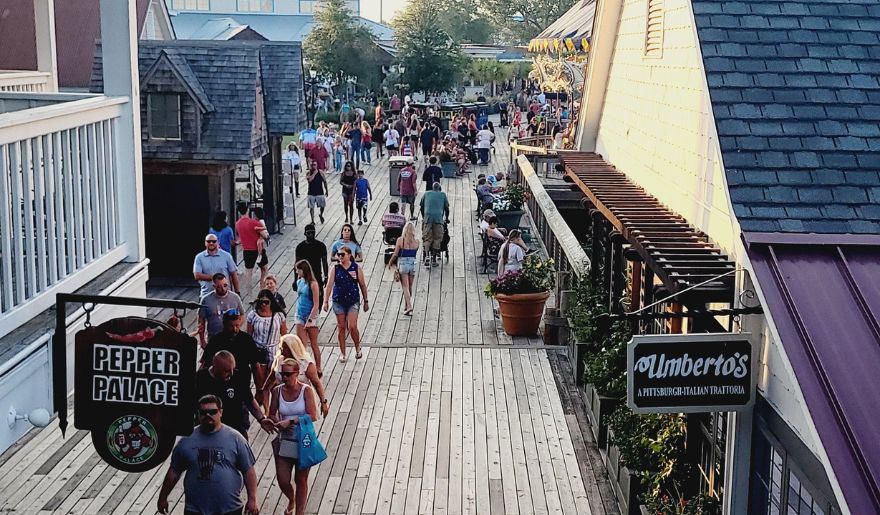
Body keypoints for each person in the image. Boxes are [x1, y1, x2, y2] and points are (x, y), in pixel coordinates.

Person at [156, 394, 260, 515]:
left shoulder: (236, 438)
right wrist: (163, 497)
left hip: (230, 508)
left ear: (221, 412)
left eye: (212, 412)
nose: (208, 415)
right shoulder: (186, 440)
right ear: (198, 414)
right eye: (203, 412)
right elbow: (174, 472)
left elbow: (249, 471)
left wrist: (252, 499)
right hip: (195, 509)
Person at [267, 359, 319, 515]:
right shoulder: (277, 391)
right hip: (285, 440)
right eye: (282, 374)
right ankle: (291, 498)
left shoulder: (306, 390)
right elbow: (271, 413)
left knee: (301, 480)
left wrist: (290, 421)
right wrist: (275, 422)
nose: (285, 377)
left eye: (288, 374)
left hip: (303, 439)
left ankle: (300, 512)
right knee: (283, 479)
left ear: (297, 373)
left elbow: (312, 415)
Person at [196, 351, 275, 439]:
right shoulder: (200, 379)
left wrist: (261, 419)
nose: (231, 374)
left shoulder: (238, 377)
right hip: (208, 430)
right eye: (226, 371)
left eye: (233, 369)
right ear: (215, 367)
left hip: (236, 429)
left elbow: (249, 400)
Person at [323, 246, 368, 361]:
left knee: (352, 326)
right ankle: (343, 352)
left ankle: (357, 347)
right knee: (341, 327)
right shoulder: (335, 268)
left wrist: (365, 300)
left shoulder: (356, 268)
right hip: (339, 300)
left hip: (353, 300)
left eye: (343, 254)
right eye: (339, 254)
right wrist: (325, 301)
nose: (340, 257)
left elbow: (362, 285)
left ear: (349, 255)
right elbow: (329, 285)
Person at [247, 289, 288, 410]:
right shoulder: (253, 315)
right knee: (261, 383)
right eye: (261, 302)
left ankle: (274, 407)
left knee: (274, 382)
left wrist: (285, 352)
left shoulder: (279, 316)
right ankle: (267, 409)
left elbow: (284, 335)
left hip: (274, 350)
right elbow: (249, 335)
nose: (263, 304)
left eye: (266, 302)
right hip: (258, 351)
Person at [201, 309, 260, 385]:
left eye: (237, 325)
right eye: (231, 326)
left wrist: (259, 388)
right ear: (224, 324)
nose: (235, 329)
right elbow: (206, 364)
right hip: (221, 383)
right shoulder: (216, 341)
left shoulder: (246, 339)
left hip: (242, 382)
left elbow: (255, 365)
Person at [279, 334, 329, 418]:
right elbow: (270, 379)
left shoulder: (306, 363)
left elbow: (316, 383)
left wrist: (323, 402)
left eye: (285, 348)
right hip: (284, 399)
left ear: (292, 349)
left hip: (302, 399)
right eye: (281, 348)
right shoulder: (279, 360)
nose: (282, 351)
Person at [291, 259, 322, 374]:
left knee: (314, 344)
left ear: (303, 270)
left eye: (298, 270)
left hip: (311, 316)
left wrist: (310, 320)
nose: (296, 272)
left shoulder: (313, 284)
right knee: (301, 344)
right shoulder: (300, 282)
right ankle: (303, 368)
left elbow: (316, 304)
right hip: (300, 315)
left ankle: (318, 367)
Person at [198, 274, 245, 348]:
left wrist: (236, 327)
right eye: (219, 287)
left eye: (225, 285)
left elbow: (242, 314)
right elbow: (201, 321)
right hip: (213, 338)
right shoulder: (205, 300)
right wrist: (202, 341)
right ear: (214, 286)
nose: (223, 289)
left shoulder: (235, 297)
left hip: (232, 338)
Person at [194, 233, 239, 299]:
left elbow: (234, 274)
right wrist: (216, 278)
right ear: (205, 243)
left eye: (214, 241)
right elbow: (197, 276)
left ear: (218, 242)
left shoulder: (227, 256)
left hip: (225, 294)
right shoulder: (199, 257)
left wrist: (237, 292)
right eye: (208, 241)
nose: (211, 243)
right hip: (207, 295)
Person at [235, 203, 269, 292]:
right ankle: (262, 290)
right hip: (258, 250)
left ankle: (250, 295)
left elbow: (241, 237)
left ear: (239, 212)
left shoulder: (237, 224)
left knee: (248, 273)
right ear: (247, 211)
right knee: (264, 270)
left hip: (246, 251)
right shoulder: (253, 222)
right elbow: (265, 235)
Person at [388, 221, 419, 315]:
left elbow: (395, 254)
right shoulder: (417, 242)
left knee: (405, 286)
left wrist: (390, 262)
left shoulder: (400, 240)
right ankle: (406, 307)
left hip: (403, 263)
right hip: (413, 263)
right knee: (410, 286)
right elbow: (414, 254)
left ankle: (409, 306)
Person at [295, 224, 328, 304]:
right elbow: (296, 264)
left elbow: (324, 262)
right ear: (305, 234)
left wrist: (326, 276)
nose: (311, 235)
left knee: (319, 298)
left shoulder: (321, 246)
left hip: (317, 275)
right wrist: (295, 279)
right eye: (309, 233)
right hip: (304, 276)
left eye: (312, 232)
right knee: (305, 297)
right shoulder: (300, 247)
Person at [419, 182, 449, 267]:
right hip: (438, 219)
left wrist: (424, 217)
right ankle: (434, 259)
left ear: (433, 188)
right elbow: (447, 208)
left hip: (427, 218)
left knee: (427, 238)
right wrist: (447, 218)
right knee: (437, 238)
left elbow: (421, 206)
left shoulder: (426, 194)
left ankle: (427, 256)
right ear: (440, 189)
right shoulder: (442, 195)